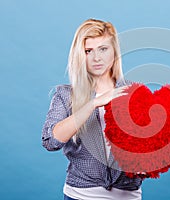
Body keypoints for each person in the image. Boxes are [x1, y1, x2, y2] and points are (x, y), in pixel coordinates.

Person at [42, 19, 142, 200]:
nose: (97, 58)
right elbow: (51, 141)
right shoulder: (66, 95)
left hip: (128, 195)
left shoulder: (135, 92)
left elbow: (151, 143)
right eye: (88, 51)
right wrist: (92, 104)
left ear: (114, 52)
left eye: (103, 49)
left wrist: (146, 162)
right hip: (79, 195)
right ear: (80, 55)